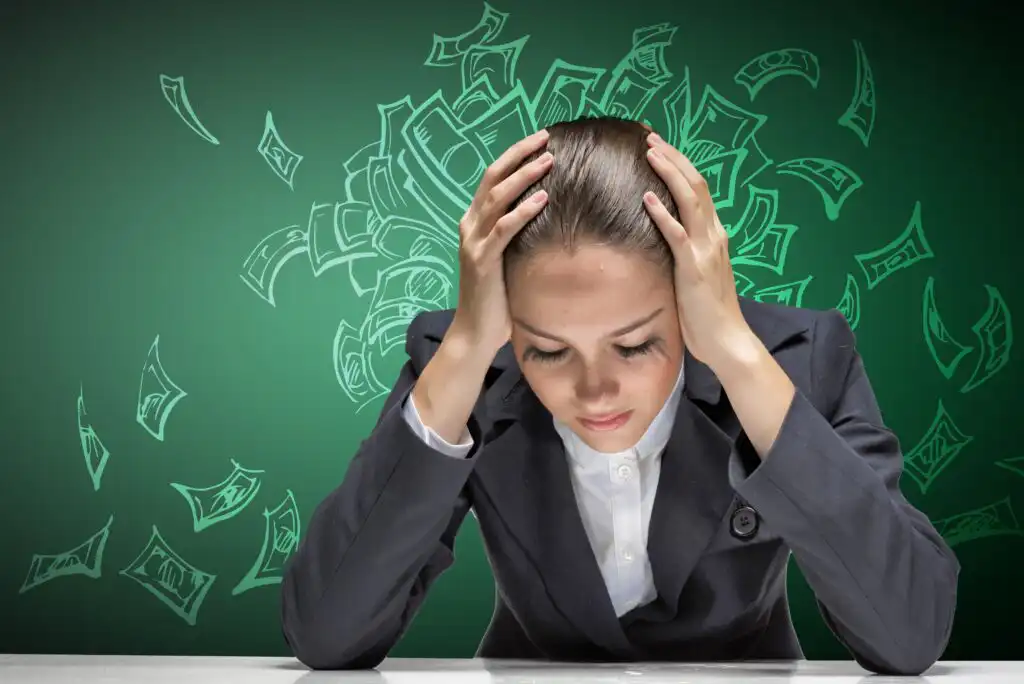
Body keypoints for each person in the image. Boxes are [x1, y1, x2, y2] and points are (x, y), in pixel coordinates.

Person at [279, 117, 960, 676]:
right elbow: (327, 637)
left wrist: (736, 351)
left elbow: (909, 637)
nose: (594, 389)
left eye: (634, 345)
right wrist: (463, 351)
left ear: (691, 300)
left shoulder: (798, 362)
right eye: (548, 350)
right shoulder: (468, 369)